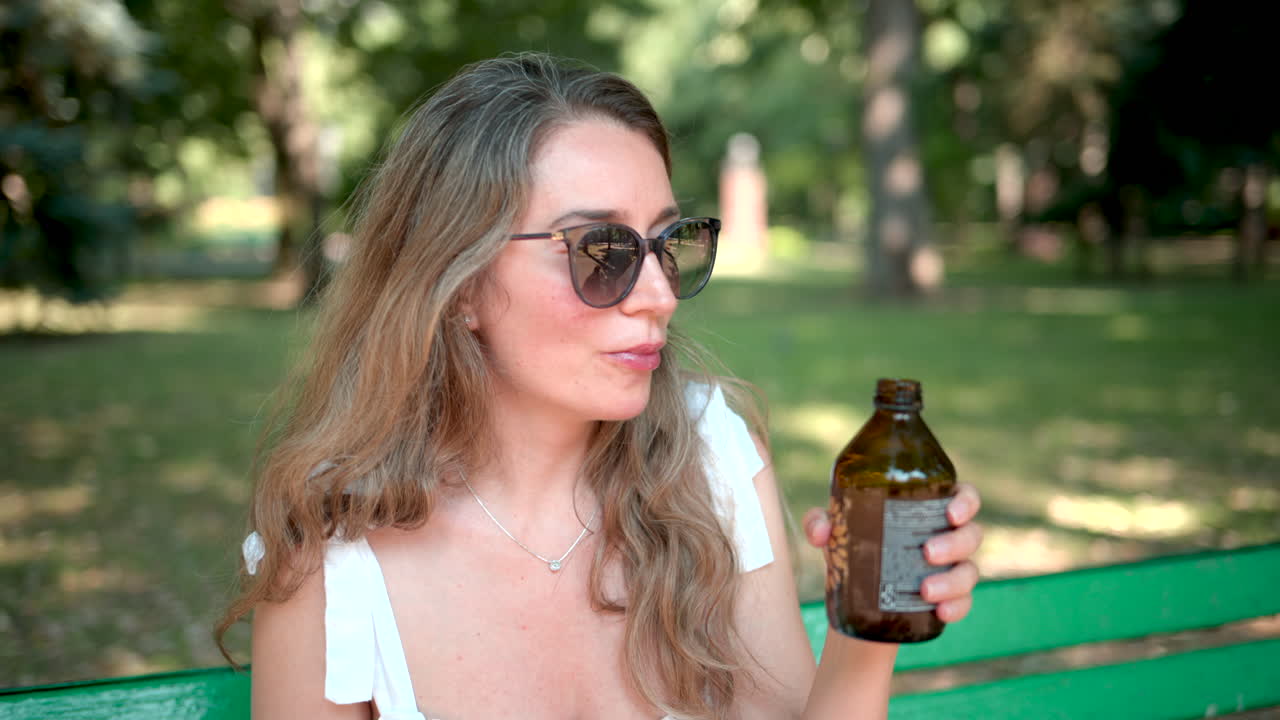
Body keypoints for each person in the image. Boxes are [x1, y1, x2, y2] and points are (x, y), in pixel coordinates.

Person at [216, 52, 983, 720]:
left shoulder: (711, 461)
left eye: (668, 243)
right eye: (603, 249)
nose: (659, 293)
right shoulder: (332, 552)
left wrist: (867, 628)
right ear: (459, 287)